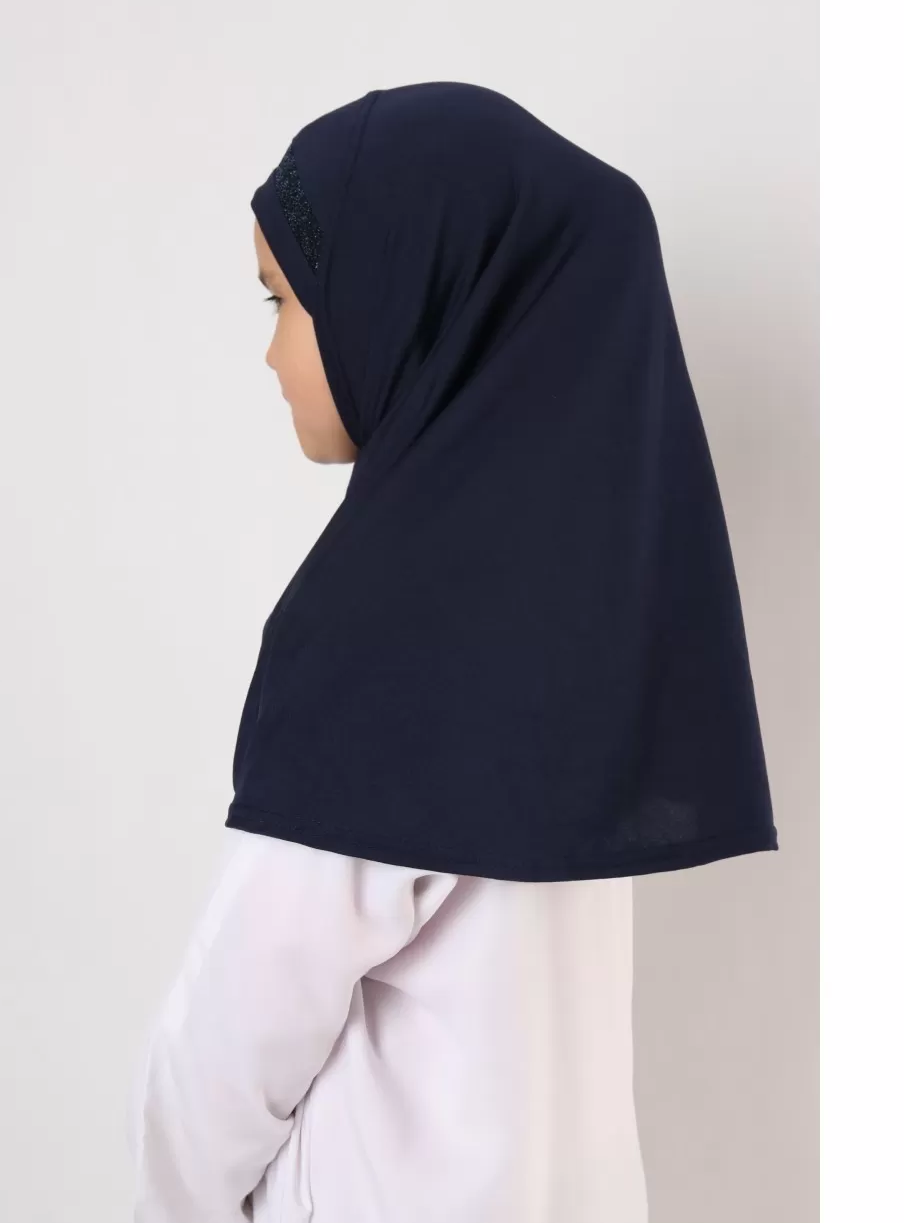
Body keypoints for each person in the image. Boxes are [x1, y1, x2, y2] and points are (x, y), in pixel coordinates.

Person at [129, 81, 779, 1223]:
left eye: (284, 300)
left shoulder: (374, 634)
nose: (271, 354)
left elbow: (230, 1042)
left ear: (399, 298)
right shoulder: (593, 610)